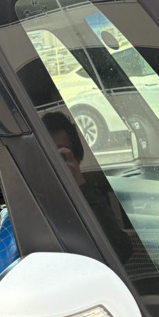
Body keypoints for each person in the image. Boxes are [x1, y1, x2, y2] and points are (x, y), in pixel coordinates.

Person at [42, 111, 132, 263]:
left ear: (74, 155)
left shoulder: (91, 193)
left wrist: (80, 185)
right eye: (47, 152)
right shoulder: (32, 199)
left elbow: (120, 250)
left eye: (60, 152)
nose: (54, 160)